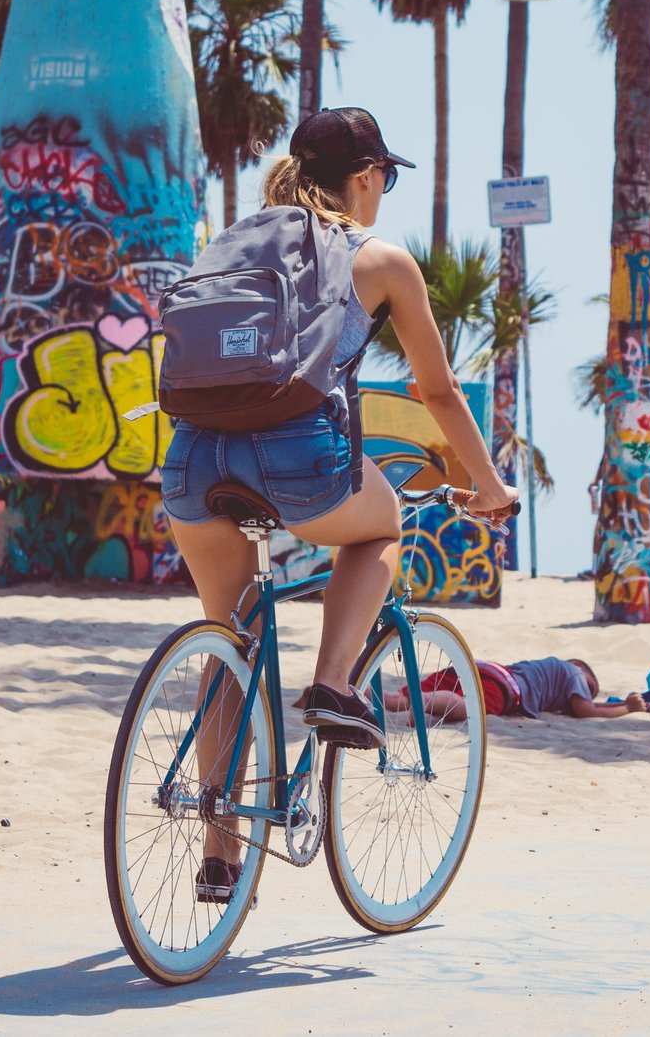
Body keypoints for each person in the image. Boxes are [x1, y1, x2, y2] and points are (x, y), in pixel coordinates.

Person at [159, 108, 516, 899]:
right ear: (363, 177)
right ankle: (333, 684)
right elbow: (439, 391)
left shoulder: (235, 240)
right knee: (381, 524)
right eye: (383, 176)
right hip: (296, 462)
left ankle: (219, 856)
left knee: (231, 638)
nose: (383, 189)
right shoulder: (380, 258)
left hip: (189, 460)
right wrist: (489, 484)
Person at [382, 657, 650, 723]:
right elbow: (586, 710)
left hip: (480, 667)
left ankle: (369, 694)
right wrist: (627, 709)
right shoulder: (572, 673)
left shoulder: (548, 671)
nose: (586, 693)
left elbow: (590, 706)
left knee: (396, 699)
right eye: (588, 688)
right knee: (467, 706)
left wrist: (617, 705)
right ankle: (427, 702)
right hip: (505, 687)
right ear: (578, 667)